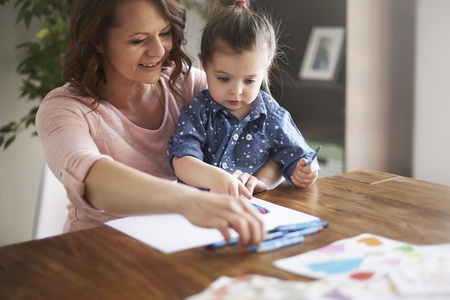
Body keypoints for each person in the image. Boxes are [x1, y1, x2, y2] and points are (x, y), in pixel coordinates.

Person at [36, 0, 283, 245]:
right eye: (139, 40)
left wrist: (260, 179)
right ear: (97, 40)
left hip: (178, 246)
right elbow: (91, 179)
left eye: (164, 33)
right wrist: (187, 201)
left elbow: (276, 139)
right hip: (98, 254)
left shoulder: (190, 86)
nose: (159, 51)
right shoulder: (64, 109)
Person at [167, 0, 319, 198]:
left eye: (249, 80)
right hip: (200, 210)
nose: (236, 91)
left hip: (254, 209)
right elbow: (182, 160)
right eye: (224, 79)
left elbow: (299, 156)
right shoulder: (199, 111)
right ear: (203, 64)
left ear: (266, 69)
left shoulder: (272, 115)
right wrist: (216, 178)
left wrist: (306, 171)